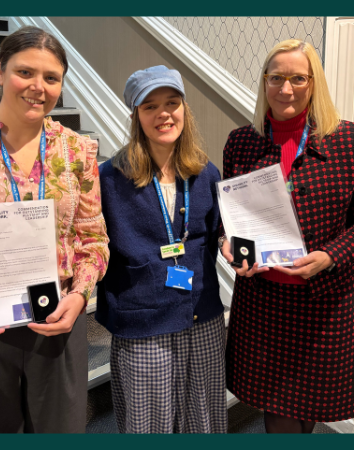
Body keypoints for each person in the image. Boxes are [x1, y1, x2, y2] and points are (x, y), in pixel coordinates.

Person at [0, 26, 109, 433]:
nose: (38, 87)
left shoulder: (77, 151)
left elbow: (94, 238)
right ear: (0, 71)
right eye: (25, 72)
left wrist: (79, 296)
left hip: (54, 319)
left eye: (51, 78)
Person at [221, 39, 354, 433]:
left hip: (323, 302)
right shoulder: (241, 142)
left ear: (314, 83)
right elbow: (233, 217)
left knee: (309, 408)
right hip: (263, 303)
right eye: (276, 78)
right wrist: (229, 244)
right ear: (264, 82)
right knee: (277, 412)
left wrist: (329, 255)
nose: (286, 88)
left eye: (298, 78)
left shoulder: (349, 139)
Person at [96, 66, 226, 434]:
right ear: (136, 114)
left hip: (202, 317)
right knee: (148, 426)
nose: (164, 114)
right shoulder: (108, 179)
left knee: (206, 424)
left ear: (185, 108)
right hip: (143, 323)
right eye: (150, 106)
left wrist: (229, 241)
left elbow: (219, 230)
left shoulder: (205, 172)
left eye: (172, 103)